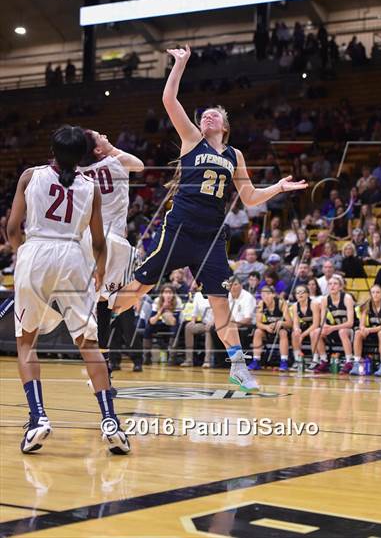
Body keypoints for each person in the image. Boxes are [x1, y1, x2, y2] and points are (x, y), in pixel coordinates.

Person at [111, 45, 308, 392]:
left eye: (213, 115)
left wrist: (276, 187)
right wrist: (180, 64)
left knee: (220, 301)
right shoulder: (191, 140)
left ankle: (237, 367)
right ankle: (99, 311)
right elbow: (170, 99)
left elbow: (248, 198)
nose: (206, 118)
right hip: (180, 230)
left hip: (211, 237)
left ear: (225, 125)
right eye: (203, 115)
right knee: (141, 287)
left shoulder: (235, 155)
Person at [6, 125, 129, 455]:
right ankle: (111, 423)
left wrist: (23, 254)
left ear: (53, 150)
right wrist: (100, 270)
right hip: (74, 256)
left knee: (26, 342)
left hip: (37, 252)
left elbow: (11, 228)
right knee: (89, 344)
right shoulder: (91, 187)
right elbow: (99, 240)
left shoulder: (30, 176)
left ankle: (39, 418)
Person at [79, 130, 144, 382]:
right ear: (97, 150)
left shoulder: (81, 173)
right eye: (100, 136)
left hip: (89, 242)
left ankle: (102, 361)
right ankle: (120, 356)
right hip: (115, 242)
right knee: (120, 302)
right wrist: (111, 150)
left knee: (98, 304)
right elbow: (138, 165)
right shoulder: (117, 160)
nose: (105, 135)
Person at [310, 274, 354, 373]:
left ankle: (349, 361)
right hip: (334, 329)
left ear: (340, 286)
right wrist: (325, 326)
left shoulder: (347, 298)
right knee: (315, 332)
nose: (332, 286)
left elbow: (350, 323)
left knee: (342, 331)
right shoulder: (325, 299)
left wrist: (332, 328)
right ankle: (324, 360)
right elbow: (322, 321)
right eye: (330, 284)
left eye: (335, 284)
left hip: (349, 330)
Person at [248, 285, 292, 371]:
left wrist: (281, 322)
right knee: (257, 332)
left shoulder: (281, 303)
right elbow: (258, 323)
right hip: (268, 329)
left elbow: (290, 323)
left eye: (268, 294)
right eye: (263, 294)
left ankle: (284, 361)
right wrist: (266, 327)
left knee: (283, 333)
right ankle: (256, 360)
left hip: (281, 329)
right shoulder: (261, 304)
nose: (265, 296)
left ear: (273, 294)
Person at [350, 285, 381, 376]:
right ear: (370, 294)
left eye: (378, 292)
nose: (375, 295)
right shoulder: (367, 304)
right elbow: (362, 324)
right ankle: (357, 363)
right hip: (370, 332)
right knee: (357, 333)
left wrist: (369, 330)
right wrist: (363, 329)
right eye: (373, 292)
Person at [143, 283, 183, 365]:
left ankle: (172, 357)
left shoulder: (178, 301)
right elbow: (152, 321)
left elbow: (173, 322)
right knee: (148, 328)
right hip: (160, 323)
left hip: (171, 323)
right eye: (165, 292)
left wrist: (168, 311)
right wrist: (161, 309)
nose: (168, 295)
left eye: (170, 292)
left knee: (176, 328)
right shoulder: (157, 301)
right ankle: (146, 355)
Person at [181, 288, 214, 368]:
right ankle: (189, 360)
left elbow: (220, 311)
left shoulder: (217, 293)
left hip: (217, 323)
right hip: (204, 322)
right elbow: (194, 312)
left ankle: (207, 360)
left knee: (208, 329)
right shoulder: (198, 295)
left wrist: (212, 322)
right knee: (188, 327)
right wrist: (193, 321)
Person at [292, 285, 320, 371]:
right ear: (295, 295)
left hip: (315, 327)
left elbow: (316, 324)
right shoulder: (295, 306)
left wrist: (303, 335)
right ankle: (298, 359)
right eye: (298, 292)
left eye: (302, 292)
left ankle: (315, 360)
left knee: (313, 333)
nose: (300, 294)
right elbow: (295, 323)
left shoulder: (313, 304)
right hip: (305, 326)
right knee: (294, 334)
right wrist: (297, 329)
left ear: (307, 294)